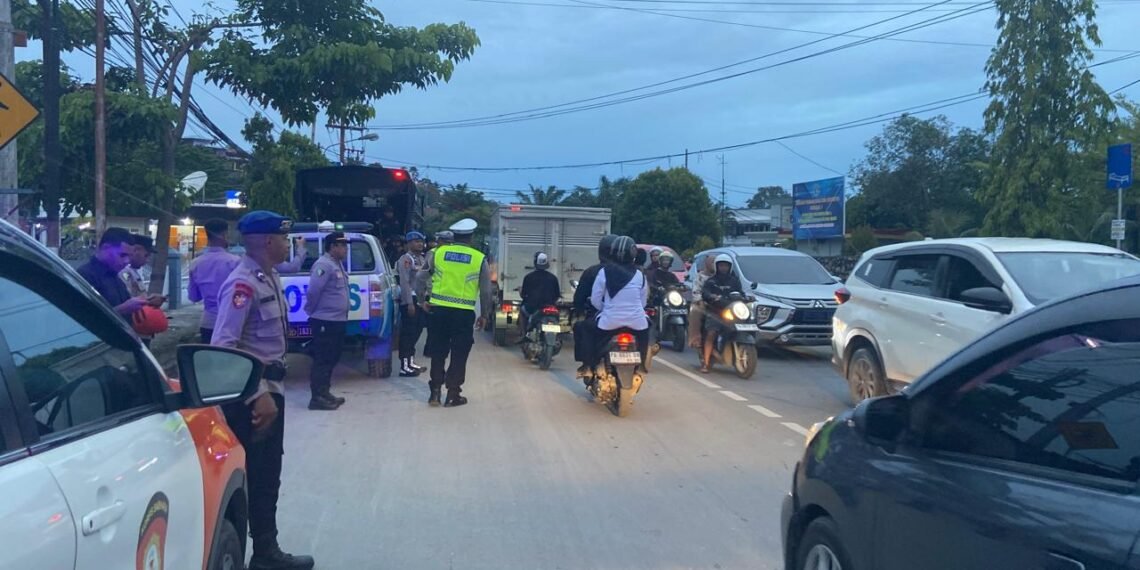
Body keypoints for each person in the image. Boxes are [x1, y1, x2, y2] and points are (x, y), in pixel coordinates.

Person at [211, 211, 315, 570]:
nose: (288, 244)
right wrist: (257, 394)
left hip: (272, 388)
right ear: (268, 241)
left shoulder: (268, 276)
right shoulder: (243, 285)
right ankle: (259, 553)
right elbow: (223, 346)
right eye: (284, 239)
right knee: (256, 476)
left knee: (268, 475)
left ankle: (265, 550)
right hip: (253, 398)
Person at [423, 218, 493, 407]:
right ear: (471, 237)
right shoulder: (479, 258)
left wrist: (423, 300)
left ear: (454, 236)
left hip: (438, 310)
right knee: (459, 353)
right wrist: (484, 315)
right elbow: (486, 291)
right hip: (463, 314)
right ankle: (453, 394)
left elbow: (421, 277)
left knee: (438, 351)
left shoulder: (437, 253)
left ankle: (435, 393)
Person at [578, 236, 649, 377]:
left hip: (609, 322)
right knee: (647, 330)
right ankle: (641, 365)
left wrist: (605, 309)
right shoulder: (640, 275)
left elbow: (596, 300)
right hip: (637, 323)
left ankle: (588, 366)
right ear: (633, 254)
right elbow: (643, 303)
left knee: (583, 328)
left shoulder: (604, 272)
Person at [304, 231, 350, 411]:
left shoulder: (336, 264)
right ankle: (317, 397)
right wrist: (311, 310)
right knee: (322, 359)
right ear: (332, 247)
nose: (345, 249)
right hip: (325, 320)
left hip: (336, 320)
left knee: (332, 357)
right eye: (342, 246)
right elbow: (313, 291)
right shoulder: (323, 265)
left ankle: (325, 392)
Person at [77, 227, 161, 320]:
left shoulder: (115, 277)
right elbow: (83, 318)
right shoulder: (86, 275)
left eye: (129, 256)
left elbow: (128, 305)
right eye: (122, 255)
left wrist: (147, 302)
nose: (126, 261)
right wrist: (121, 310)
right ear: (106, 248)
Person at [188, 219, 242, 342]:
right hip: (231, 322)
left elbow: (194, 297)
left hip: (208, 323)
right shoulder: (235, 262)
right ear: (224, 235)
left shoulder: (196, 263)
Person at [572, 235, 617, 373]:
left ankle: (587, 364)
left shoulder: (593, 272)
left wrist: (578, 308)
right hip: (630, 319)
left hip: (600, 316)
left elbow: (581, 297)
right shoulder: (633, 272)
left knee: (581, 328)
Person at [700, 254, 745, 373]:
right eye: (721, 265)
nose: (723, 268)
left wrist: (747, 297)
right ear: (717, 266)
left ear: (730, 267)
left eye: (726, 266)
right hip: (715, 311)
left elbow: (741, 293)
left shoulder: (734, 281)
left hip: (732, 311)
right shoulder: (711, 281)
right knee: (711, 333)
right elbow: (705, 293)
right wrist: (711, 296)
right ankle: (706, 362)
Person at [397, 231, 429, 377]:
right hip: (410, 300)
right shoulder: (406, 259)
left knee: (417, 330)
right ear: (409, 244)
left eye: (421, 241)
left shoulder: (421, 258)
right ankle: (404, 366)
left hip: (420, 300)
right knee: (408, 333)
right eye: (416, 241)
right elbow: (404, 283)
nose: (420, 244)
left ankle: (410, 362)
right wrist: (409, 303)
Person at [519, 252, 561, 334]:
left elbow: (524, 295)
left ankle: (524, 334)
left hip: (533, 307)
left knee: (522, 311)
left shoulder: (528, 277)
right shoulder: (553, 278)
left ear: (535, 263)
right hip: (550, 306)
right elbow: (557, 295)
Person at [688, 255, 716, 348]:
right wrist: (700, 300)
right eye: (712, 262)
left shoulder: (720, 276)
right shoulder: (699, 277)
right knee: (696, 311)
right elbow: (696, 292)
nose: (714, 264)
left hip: (717, 303)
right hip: (703, 302)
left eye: (715, 262)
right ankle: (696, 339)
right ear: (706, 263)